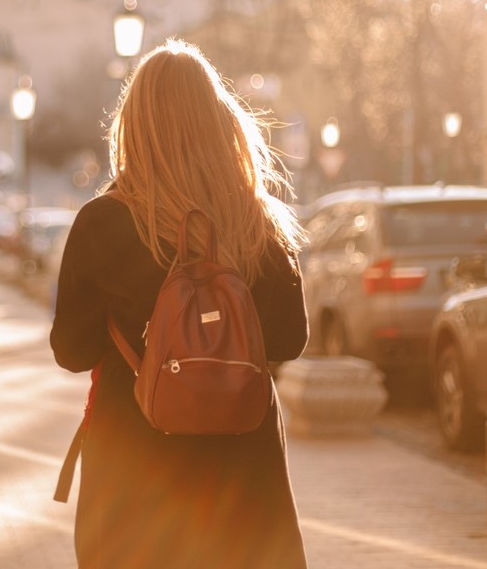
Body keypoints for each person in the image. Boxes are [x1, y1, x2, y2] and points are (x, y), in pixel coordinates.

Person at [50, 38, 310, 568]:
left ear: (133, 126)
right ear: (219, 120)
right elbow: (289, 339)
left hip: (135, 479)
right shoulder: (256, 221)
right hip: (242, 480)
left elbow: (72, 351)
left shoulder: (103, 222)